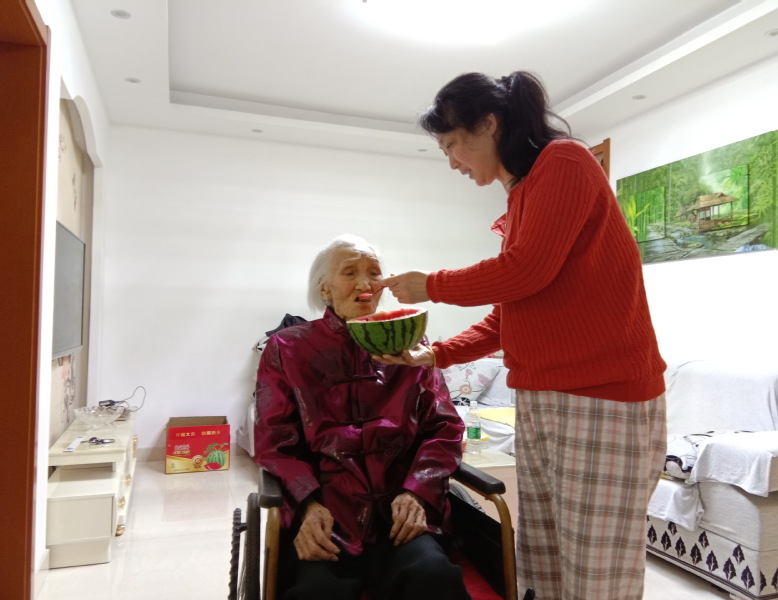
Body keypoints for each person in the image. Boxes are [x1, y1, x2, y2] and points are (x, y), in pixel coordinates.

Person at [378, 72, 667, 600]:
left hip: (601, 396)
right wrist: (435, 355)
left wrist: (431, 285)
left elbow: (524, 270)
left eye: (452, 145)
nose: (453, 163)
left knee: (596, 569)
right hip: (541, 398)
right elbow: (510, 314)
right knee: (546, 558)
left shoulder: (565, 162)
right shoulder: (520, 199)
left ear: (488, 124)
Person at [253, 234, 470, 600]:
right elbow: (275, 442)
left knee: (433, 577)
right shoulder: (286, 348)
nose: (365, 283)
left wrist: (417, 492)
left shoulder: (411, 348)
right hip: (326, 515)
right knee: (316, 593)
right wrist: (307, 506)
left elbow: (444, 427)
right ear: (325, 288)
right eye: (349, 272)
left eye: (374, 273)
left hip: (400, 515)